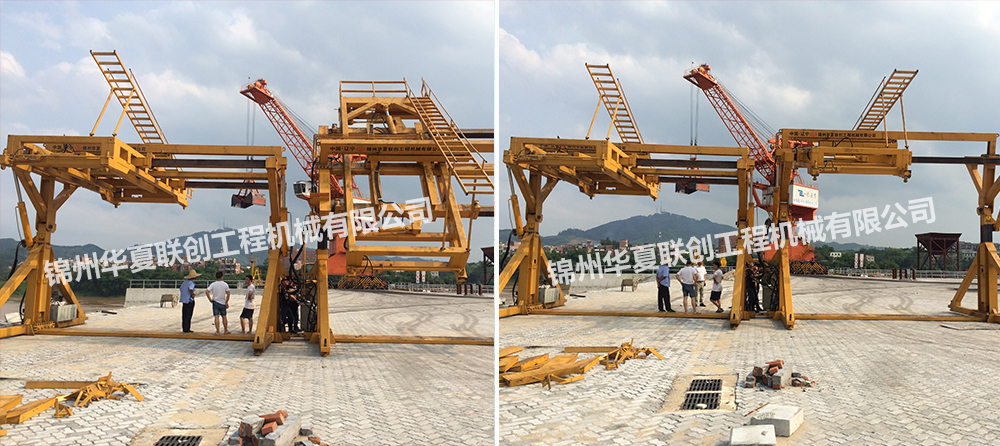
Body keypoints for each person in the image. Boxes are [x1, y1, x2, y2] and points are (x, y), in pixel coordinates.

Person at [205, 271, 231, 335]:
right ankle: (225, 330)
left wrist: (210, 299)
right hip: (222, 302)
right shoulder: (225, 284)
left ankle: (218, 331)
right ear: (222, 277)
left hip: (215, 302)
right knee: (224, 316)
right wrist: (226, 301)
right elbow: (228, 293)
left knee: (216, 317)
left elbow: (207, 291)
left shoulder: (213, 284)